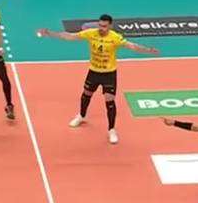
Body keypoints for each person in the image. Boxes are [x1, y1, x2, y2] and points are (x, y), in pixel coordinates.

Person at [36, 15, 160, 144]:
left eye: (104, 26)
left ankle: (111, 130)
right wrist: (50, 33)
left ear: (110, 26)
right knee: (86, 94)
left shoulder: (115, 37)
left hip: (109, 74)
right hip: (94, 72)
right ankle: (81, 116)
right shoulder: (91, 33)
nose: (101, 28)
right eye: (100, 25)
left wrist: (148, 50)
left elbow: (132, 46)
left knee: (109, 101)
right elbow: (70, 36)